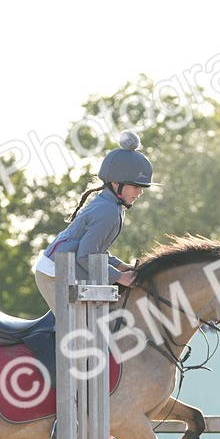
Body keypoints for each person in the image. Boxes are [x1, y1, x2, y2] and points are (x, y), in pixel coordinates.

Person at [33, 129, 153, 310]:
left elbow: (96, 252)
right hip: (53, 274)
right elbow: (85, 256)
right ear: (116, 184)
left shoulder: (112, 206)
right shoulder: (108, 211)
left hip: (66, 269)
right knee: (81, 333)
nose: (140, 191)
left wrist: (121, 266)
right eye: (136, 186)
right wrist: (120, 277)